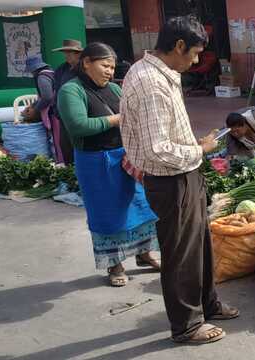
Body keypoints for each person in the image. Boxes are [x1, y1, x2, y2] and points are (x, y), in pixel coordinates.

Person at [120, 15, 238, 345]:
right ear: (179, 45)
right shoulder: (149, 82)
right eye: (195, 53)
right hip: (170, 180)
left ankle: (208, 304)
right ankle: (186, 325)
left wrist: (197, 145)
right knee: (180, 255)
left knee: (199, 245)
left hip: (185, 173)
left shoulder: (163, 74)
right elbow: (158, 151)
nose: (197, 61)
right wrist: (199, 151)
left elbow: (165, 135)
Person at [56, 42, 160, 287]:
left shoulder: (114, 89)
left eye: (112, 67)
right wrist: (116, 119)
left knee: (140, 206)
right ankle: (114, 264)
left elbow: (132, 115)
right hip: (95, 163)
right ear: (87, 63)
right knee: (107, 214)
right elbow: (79, 125)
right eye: (105, 65)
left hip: (125, 157)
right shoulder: (71, 90)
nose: (110, 72)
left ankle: (144, 254)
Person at [50, 39, 83, 164]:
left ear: (78, 54)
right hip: (64, 116)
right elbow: (57, 91)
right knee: (66, 147)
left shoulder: (85, 69)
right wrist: (56, 110)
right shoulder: (61, 70)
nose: (66, 55)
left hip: (81, 115)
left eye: (70, 52)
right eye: (65, 52)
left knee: (80, 147)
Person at [21, 55, 54, 123]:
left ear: (33, 69)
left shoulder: (42, 77)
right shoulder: (51, 73)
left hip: (54, 112)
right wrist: (32, 106)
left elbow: (47, 98)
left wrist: (35, 110)